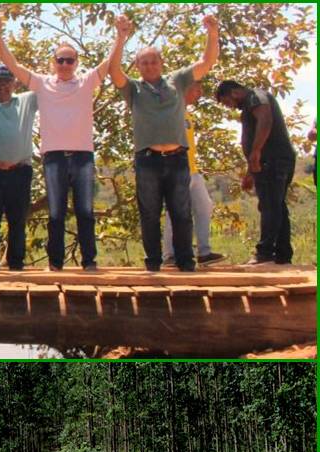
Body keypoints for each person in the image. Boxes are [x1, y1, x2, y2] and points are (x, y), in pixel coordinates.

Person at [0, 15, 125, 271]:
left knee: (85, 211)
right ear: (53, 63)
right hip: (53, 156)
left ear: (76, 63)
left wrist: (120, 37)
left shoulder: (86, 81)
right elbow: (13, 64)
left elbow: (109, 64)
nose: (64, 64)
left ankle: (89, 262)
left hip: (82, 156)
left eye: (69, 60)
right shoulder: (42, 84)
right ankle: (55, 264)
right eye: (60, 60)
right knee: (56, 213)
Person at [110, 14, 219, 273]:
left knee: (182, 212)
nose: (149, 66)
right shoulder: (134, 89)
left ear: (161, 62)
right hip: (148, 159)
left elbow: (207, 63)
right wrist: (121, 36)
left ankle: (185, 262)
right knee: (149, 214)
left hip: (178, 157)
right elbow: (114, 71)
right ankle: (153, 265)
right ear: (138, 66)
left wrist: (212, 33)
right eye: (144, 63)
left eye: (153, 61)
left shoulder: (177, 80)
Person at [215, 79, 297, 266]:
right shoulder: (252, 102)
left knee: (269, 205)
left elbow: (265, 121)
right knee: (276, 206)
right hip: (271, 161)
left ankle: (265, 253)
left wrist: (256, 152)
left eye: (228, 102)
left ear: (234, 93)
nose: (230, 107)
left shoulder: (256, 97)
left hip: (272, 160)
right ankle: (283, 255)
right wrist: (250, 172)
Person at [0, 62, 38, 271]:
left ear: (15, 83)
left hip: (19, 171)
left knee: (17, 220)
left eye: (7, 82)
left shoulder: (27, 100)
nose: (2, 86)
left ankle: (16, 263)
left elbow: (44, 84)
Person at [161, 85, 223, 267]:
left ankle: (204, 252)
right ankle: (169, 255)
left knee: (204, 206)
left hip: (192, 169)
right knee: (175, 211)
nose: (199, 93)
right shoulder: (170, 111)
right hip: (175, 169)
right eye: (196, 89)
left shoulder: (187, 114)